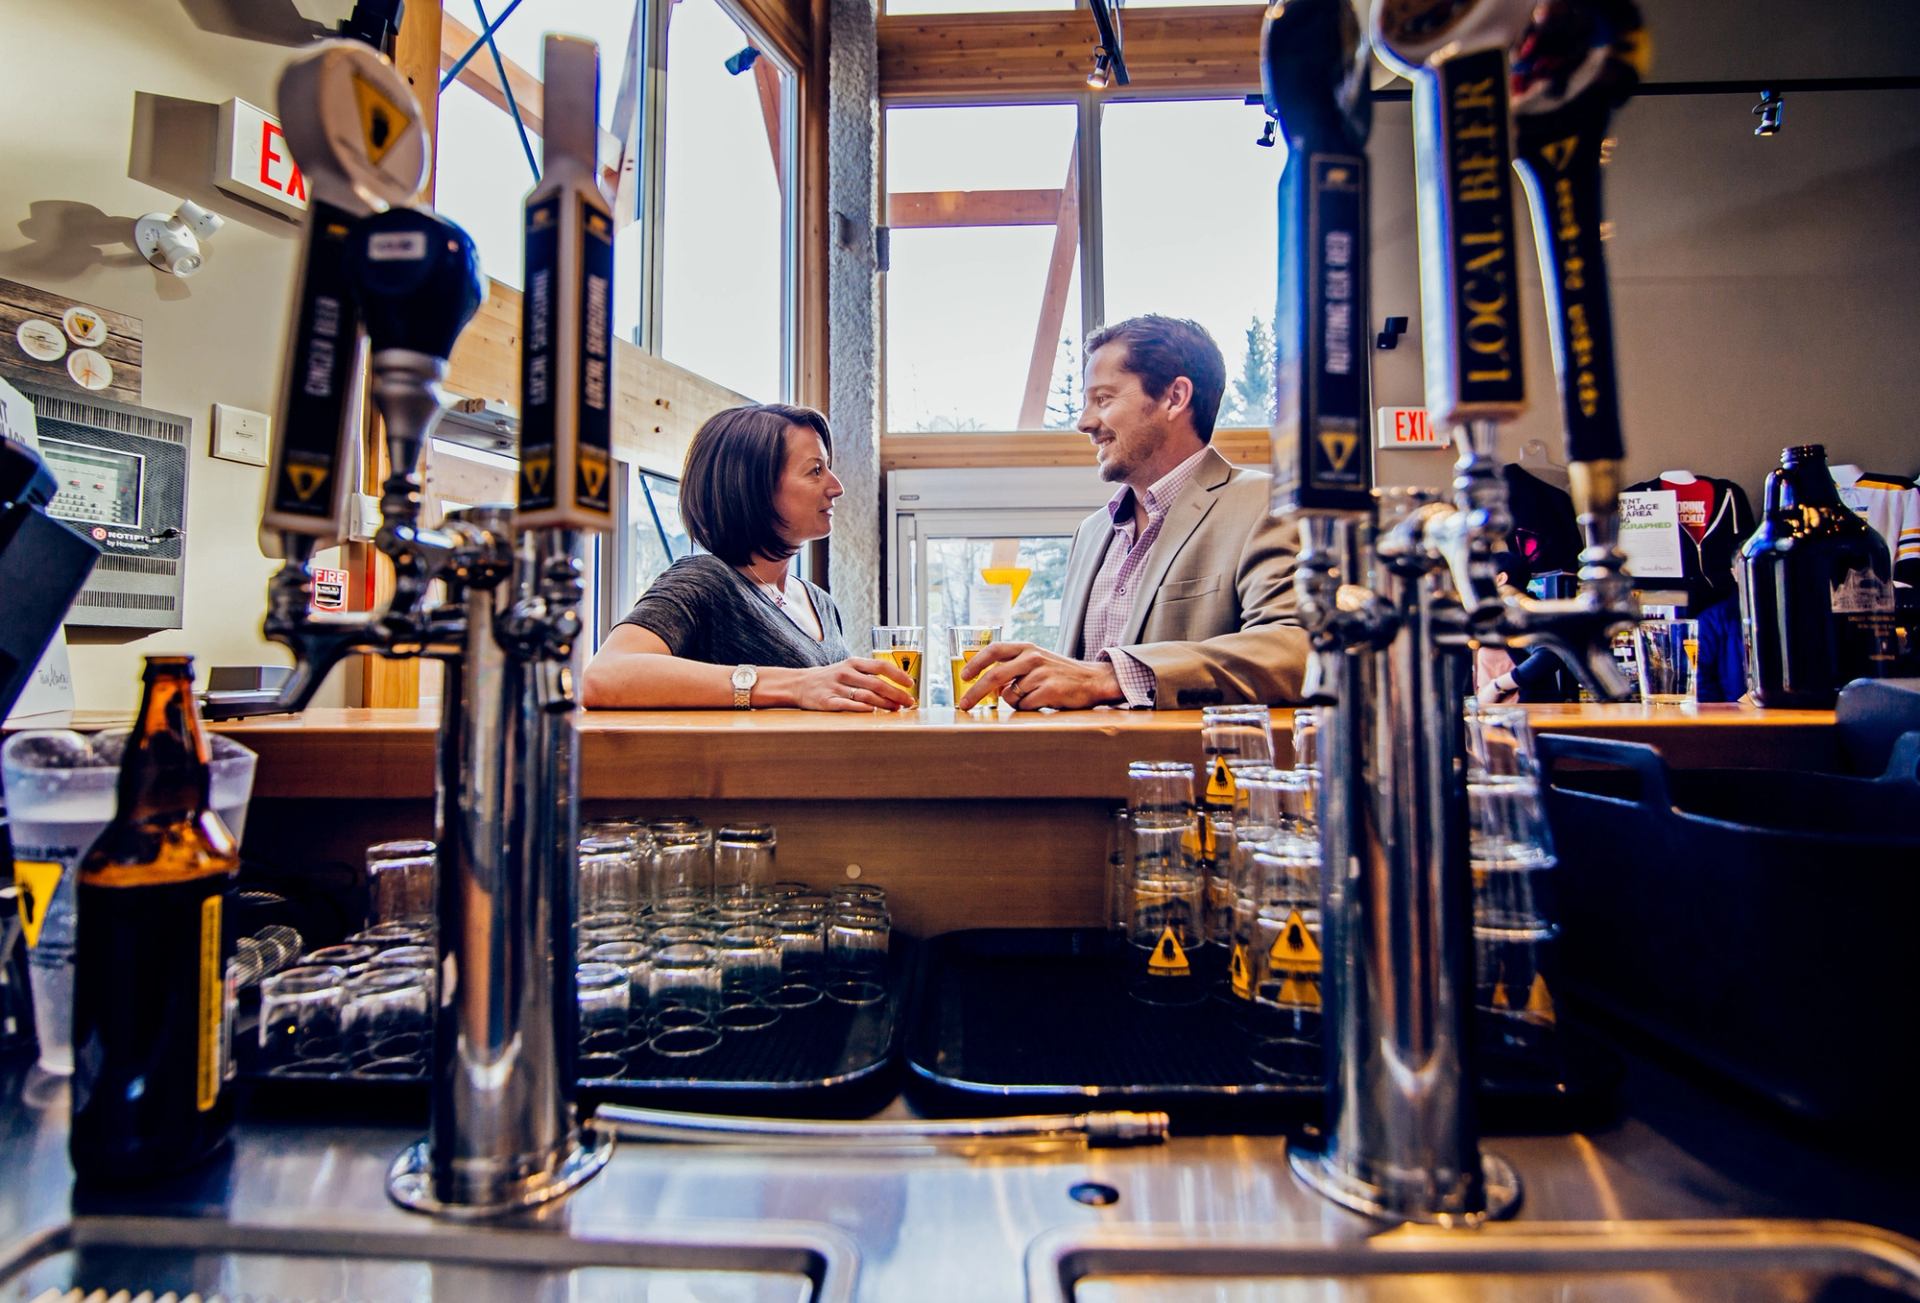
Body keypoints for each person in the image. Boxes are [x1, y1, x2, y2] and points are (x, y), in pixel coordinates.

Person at [957, 315, 1309, 711]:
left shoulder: (1265, 503)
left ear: (1175, 398)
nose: (1084, 422)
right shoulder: (1090, 533)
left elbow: (1296, 649)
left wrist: (1115, 676)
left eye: (1104, 399)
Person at [581, 403, 915, 711]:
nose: (836, 486)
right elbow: (604, 676)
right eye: (815, 471)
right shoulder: (705, 579)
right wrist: (793, 685)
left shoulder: (819, 601)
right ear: (755, 487)